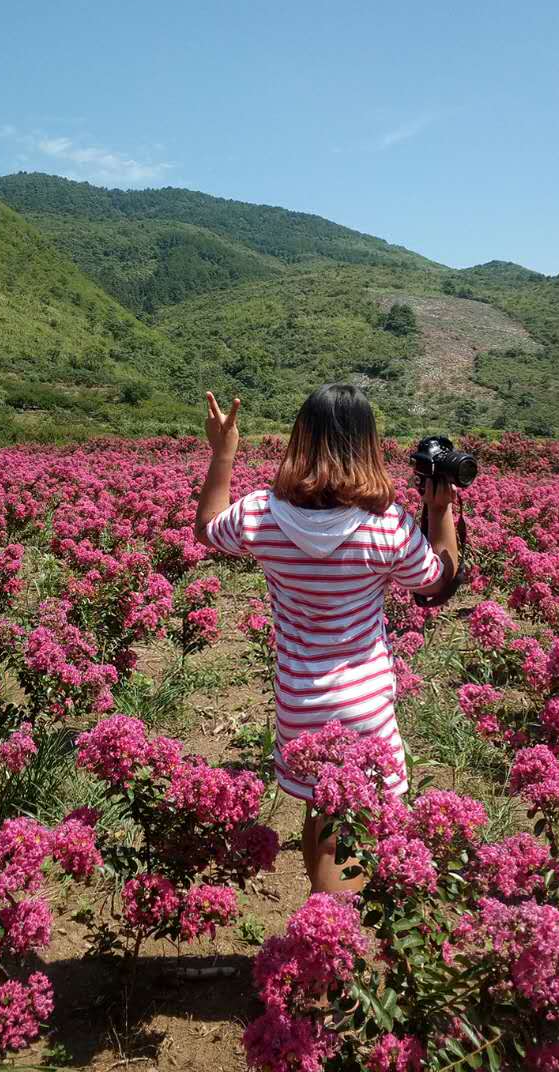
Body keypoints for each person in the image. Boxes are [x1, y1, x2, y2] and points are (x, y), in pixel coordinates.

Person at [194, 383, 460, 897]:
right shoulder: (388, 527)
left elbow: (206, 527)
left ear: (302, 439)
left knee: (323, 808)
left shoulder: (260, 515)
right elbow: (438, 581)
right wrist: (441, 508)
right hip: (366, 705)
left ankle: (326, 915)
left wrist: (222, 453)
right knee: (366, 825)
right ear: (369, 444)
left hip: (300, 702)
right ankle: (338, 938)